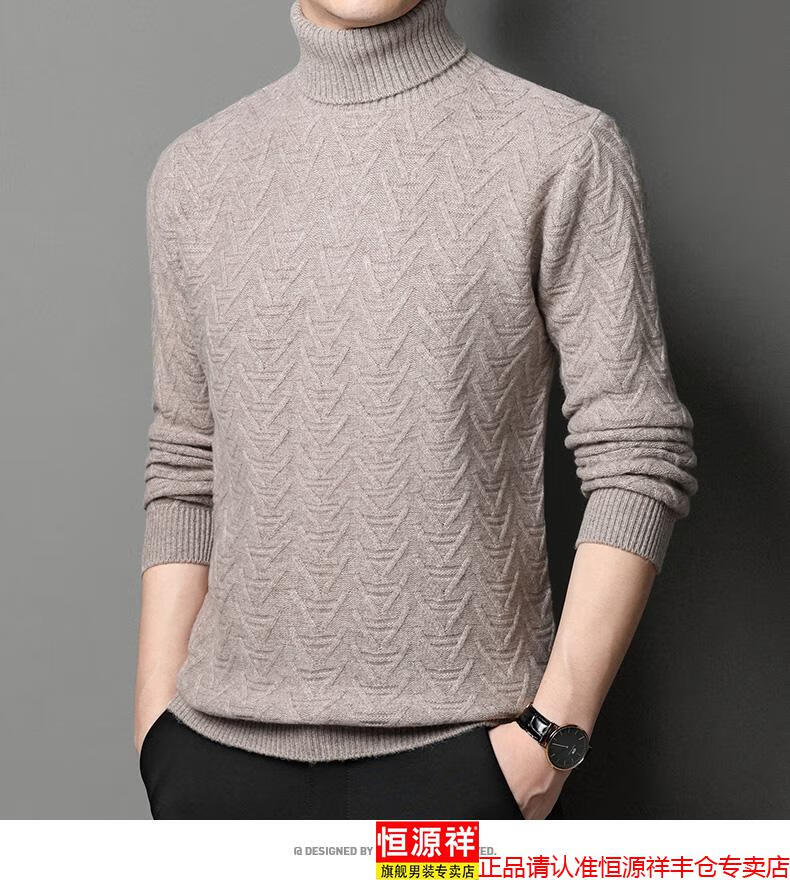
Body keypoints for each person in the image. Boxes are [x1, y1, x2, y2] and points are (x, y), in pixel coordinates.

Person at [134, 0, 698, 820]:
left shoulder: (562, 148)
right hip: (213, 767)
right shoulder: (196, 173)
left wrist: (550, 742)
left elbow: (639, 454)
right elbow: (186, 460)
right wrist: (157, 728)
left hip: (462, 768)